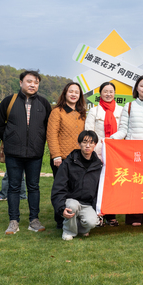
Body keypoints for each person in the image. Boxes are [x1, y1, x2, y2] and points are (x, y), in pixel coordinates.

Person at [0, 70, 52, 235]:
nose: (33, 85)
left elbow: (50, 126)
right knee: (13, 187)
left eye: (36, 82)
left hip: (35, 154)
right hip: (13, 153)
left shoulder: (44, 103)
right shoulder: (9, 101)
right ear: (21, 83)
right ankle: (13, 221)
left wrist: (39, 139)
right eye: (29, 81)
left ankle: (34, 220)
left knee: (34, 187)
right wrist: (9, 137)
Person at [110, 75, 143, 226]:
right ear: (137, 88)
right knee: (134, 185)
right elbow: (123, 130)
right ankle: (134, 218)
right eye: (142, 86)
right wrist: (111, 139)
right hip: (133, 153)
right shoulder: (129, 106)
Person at [47, 82, 86, 229]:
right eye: (71, 91)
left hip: (78, 159)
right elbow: (51, 135)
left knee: (76, 189)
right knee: (61, 190)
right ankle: (60, 219)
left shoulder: (82, 113)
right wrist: (56, 155)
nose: (73, 94)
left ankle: (74, 218)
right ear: (65, 93)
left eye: (77, 92)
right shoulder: (57, 112)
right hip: (61, 159)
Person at [51, 131, 103, 241]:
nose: (88, 145)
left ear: (95, 145)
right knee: (72, 205)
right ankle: (68, 231)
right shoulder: (68, 163)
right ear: (79, 144)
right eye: (84, 142)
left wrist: (98, 209)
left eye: (91, 143)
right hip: (71, 201)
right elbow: (58, 187)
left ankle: (79, 227)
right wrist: (61, 208)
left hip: (87, 204)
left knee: (92, 222)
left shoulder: (98, 165)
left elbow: (99, 191)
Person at [85, 81, 123, 227]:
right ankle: (98, 215)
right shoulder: (94, 111)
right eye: (105, 91)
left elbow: (125, 130)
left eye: (111, 91)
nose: (108, 94)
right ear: (100, 93)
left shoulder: (121, 110)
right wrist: (92, 152)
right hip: (98, 153)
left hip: (116, 153)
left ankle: (111, 216)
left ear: (114, 93)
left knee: (112, 184)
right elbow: (89, 133)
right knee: (97, 184)